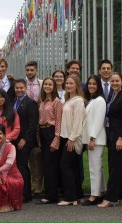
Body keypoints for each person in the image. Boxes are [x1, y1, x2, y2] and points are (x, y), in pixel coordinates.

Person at [58, 75, 86, 206]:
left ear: (77, 85)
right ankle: (78, 195)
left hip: (73, 138)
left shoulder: (79, 101)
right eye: (67, 83)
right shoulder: (68, 99)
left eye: (71, 83)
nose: (68, 85)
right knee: (73, 167)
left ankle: (70, 198)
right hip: (66, 137)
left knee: (65, 166)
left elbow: (78, 122)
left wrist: (72, 139)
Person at [12, 79, 38, 203]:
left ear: (25, 88)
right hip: (13, 140)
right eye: (17, 88)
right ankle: (16, 191)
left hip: (24, 140)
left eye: (21, 88)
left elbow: (33, 124)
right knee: (15, 166)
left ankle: (26, 195)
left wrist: (25, 139)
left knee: (22, 166)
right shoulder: (12, 102)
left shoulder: (31, 103)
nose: (19, 90)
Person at [98, 73, 122, 208]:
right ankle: (118, 196)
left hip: (119, 136)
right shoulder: (114, 95)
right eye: (113, 81)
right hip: (112, 134)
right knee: (115, 165)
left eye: (117, 81)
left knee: (115, 168)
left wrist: (120, 138)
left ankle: (110, 198)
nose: (114, 83)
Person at [82, 75, 106, 206]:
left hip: (96, 139)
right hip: (94, 139)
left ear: (98, 86)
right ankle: (101, 192)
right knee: (98, 167)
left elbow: (98, 121)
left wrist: (92, 138)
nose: (91, 86)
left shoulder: (100, 101)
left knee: (94, 167)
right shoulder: (92, 100)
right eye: (89, 83)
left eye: (94, 84)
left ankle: (94, 195)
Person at [37, 77, 62, 204]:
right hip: (42, 133)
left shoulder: (56, 101)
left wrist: (56, 138)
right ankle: (48, 193)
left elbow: (58, 121)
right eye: (45, 84)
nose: (47, 86)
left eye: (50, 84)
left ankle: (52, 195)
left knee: (51, 166)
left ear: (54, 87)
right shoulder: (41, 101)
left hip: (51, 133)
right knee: (46, 165)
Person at [25, 60, 43, 195]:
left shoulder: (42, 84)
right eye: (28, 70)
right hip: (26, 123)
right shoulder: (21, 84)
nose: (30, 72)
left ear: (36, 70)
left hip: (40, 122)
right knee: (28, 154)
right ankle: (30, 183)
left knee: (38, 154)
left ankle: (38, 185)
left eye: (32, 70)